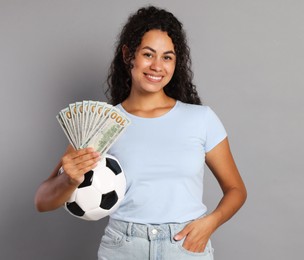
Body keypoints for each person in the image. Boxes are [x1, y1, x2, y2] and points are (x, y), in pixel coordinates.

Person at [34, 6, 247, 259]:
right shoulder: (102, 123)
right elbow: (42, 201)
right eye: (148, 54)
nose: (157, 66)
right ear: (128, 55)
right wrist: (68, 180)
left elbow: (236, 189)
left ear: (175, 63)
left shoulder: (201, 119)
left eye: (167, 57)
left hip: (185, 247)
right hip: (124, 247)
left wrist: (210, 223)